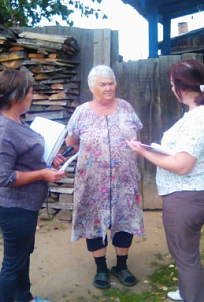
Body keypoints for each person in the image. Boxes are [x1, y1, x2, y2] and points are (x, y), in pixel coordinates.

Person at [126, 59, 204, 302]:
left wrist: (145, 152)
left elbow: (182, 166)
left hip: (187, 197)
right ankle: (187, 291)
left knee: (185, 255)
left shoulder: (198, 119)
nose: (171, 89)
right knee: (186, 251)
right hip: (198, 192)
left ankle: (192, 297)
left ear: (182, 87)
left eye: (172, 85)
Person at [53, 65, 144, 290]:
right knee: (93, 221)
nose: (108, 87)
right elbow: (71, 143)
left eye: (111, 83)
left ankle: (121, 266)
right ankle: (101, 268)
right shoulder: (82, 112)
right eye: (102, 84)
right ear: (92, 87)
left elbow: (135, 138)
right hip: (92, 182)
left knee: (124, 221)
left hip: (124, 180)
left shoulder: (126, 108)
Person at [0, 69, 65, 302]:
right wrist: (42, 173)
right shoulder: (2, 130)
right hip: (13, 208)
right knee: (13, 263)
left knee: (22, 256)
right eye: (31, 92)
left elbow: (25, 156)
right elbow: (4, 177)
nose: (33, 96)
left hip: (25, 206)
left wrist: (48, 159)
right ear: (18, 96)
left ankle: (25, 298)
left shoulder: (16, 121)